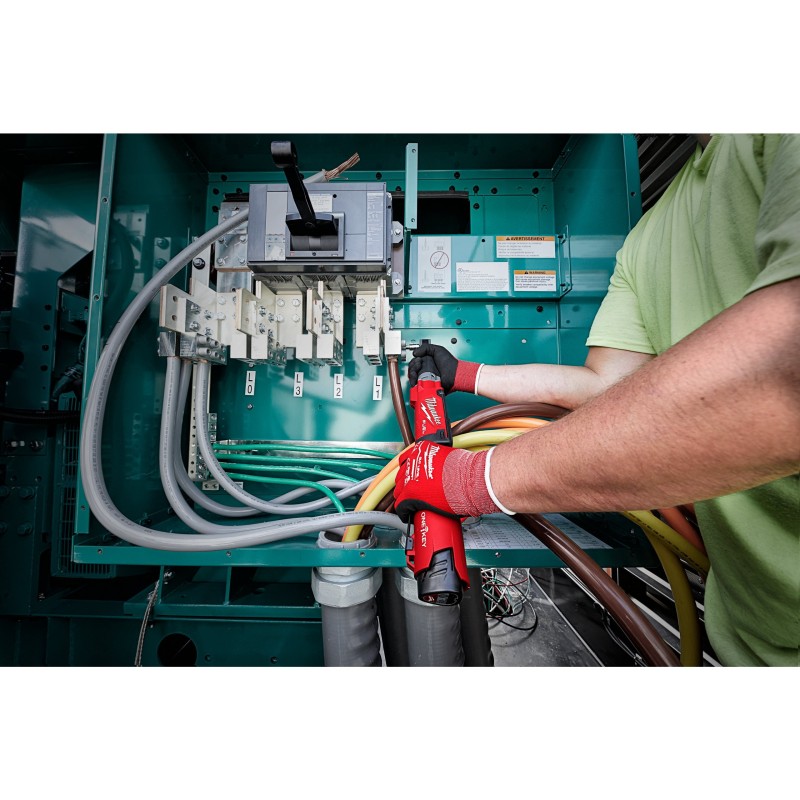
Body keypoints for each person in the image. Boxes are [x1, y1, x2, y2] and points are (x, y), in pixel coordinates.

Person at [394, 134, 800, 667]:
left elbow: (786, 374)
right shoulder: (647, 237)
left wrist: (474, 479)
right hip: (748, 637)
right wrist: (468, 374)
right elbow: (605, 388)